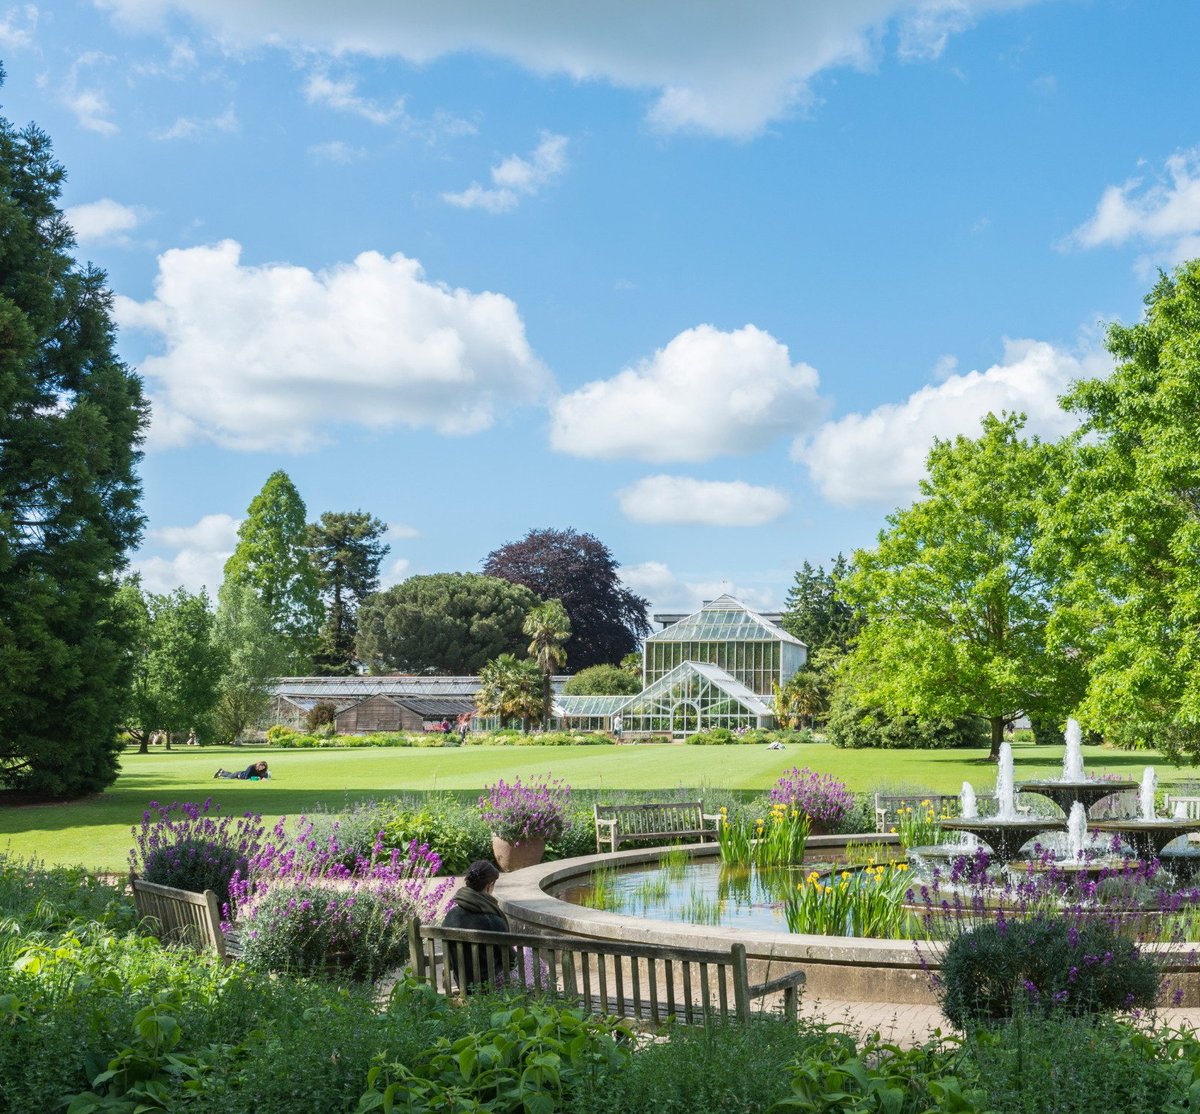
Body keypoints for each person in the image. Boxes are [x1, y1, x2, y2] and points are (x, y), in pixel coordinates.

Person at [441, 860, 514, 989]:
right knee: (533, 959)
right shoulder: (493, 921)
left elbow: (450, 960)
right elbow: (511, 962)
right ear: (489, 886)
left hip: (463, 985)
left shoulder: (451, 916)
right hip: (490, 987)